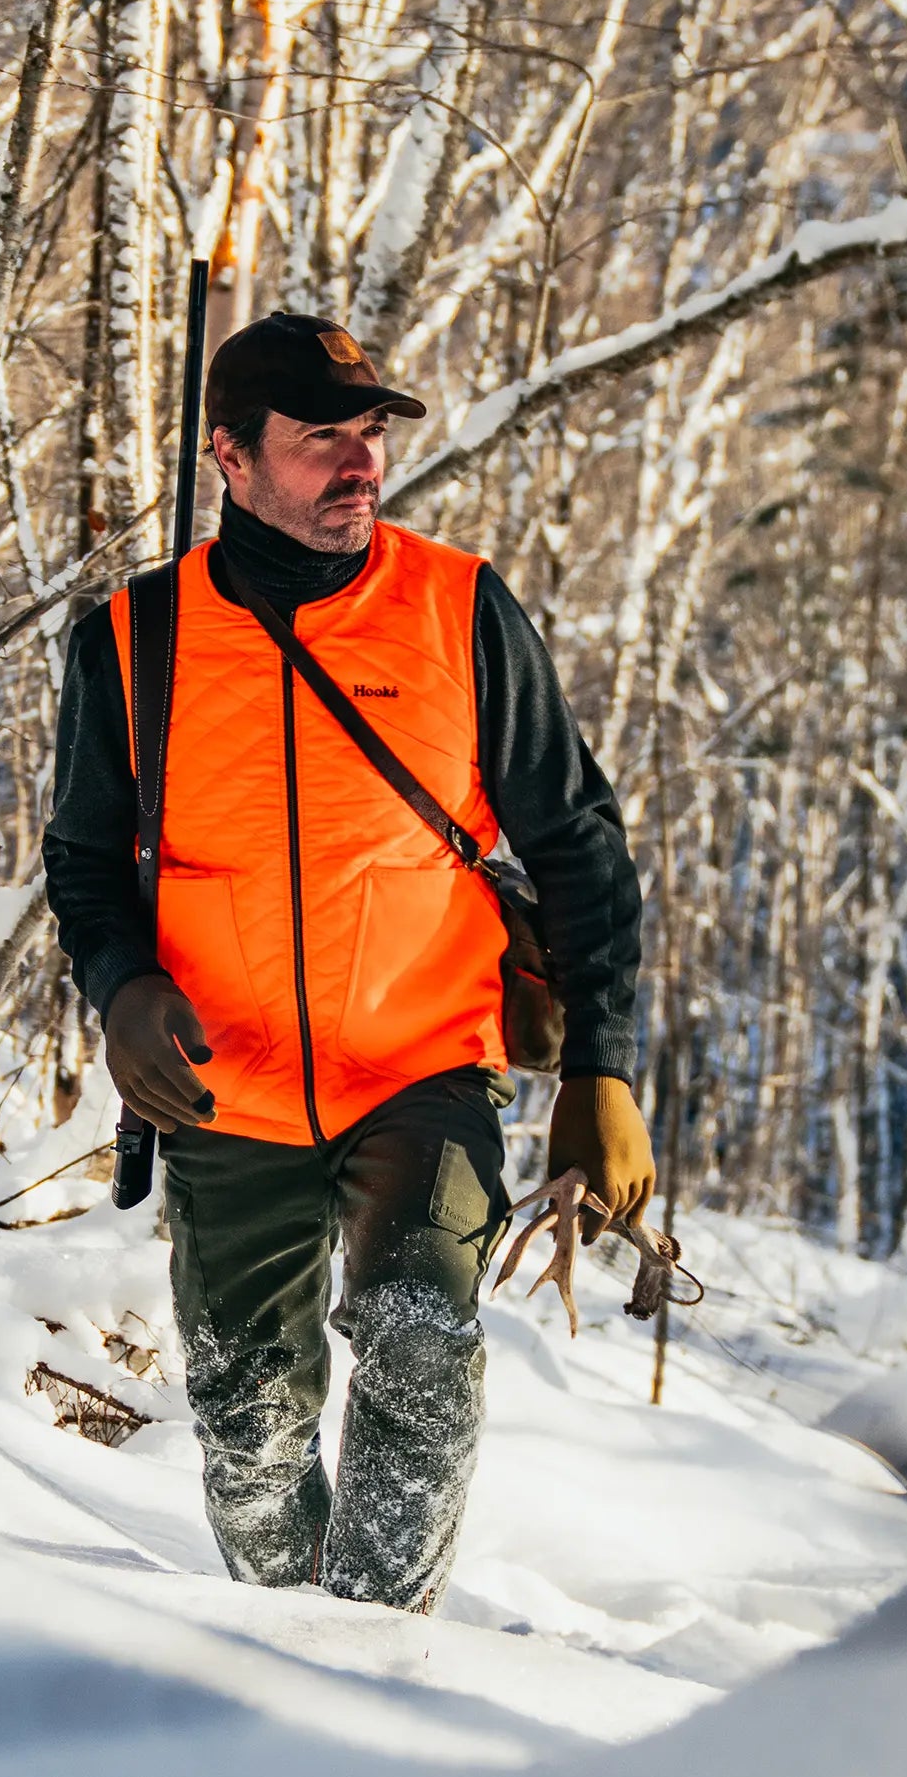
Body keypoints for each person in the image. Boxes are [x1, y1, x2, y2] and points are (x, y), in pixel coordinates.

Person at [44, 309, 651, 1613]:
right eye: (323, 439)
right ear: (231, 456)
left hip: (423, 1067)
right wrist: (120, 988)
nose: (361, 463)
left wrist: (605, 1070)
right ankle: (283, 1639)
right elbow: (86, 865)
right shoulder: (135, 643)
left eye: (370, 433)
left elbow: (583, 847)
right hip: (221, 1089)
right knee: (246, 1421)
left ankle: (379, 1659)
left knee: (422, 1348)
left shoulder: (458, 609)